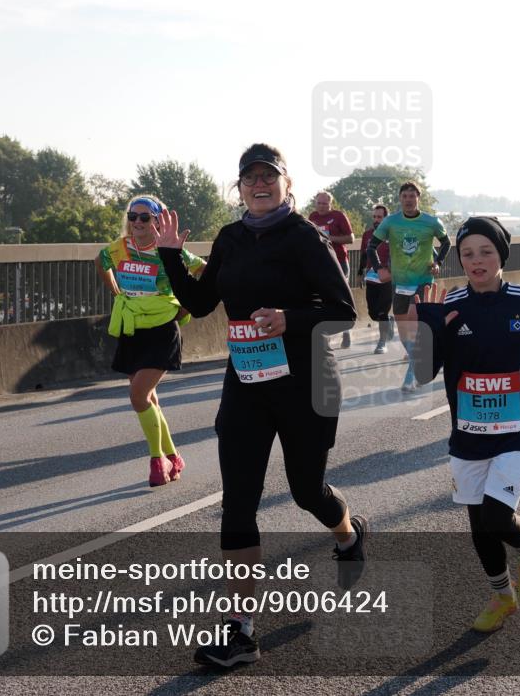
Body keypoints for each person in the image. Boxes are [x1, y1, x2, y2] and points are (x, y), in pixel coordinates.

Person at [155, 143, 366, 668]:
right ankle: (241, 631)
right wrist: (169, 255)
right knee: (238, 501)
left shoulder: (304, 237)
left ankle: (348, 532)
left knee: (305, 492)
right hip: (247, 383)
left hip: (306, 383)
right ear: (240, 188)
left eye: (268, 177)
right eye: (249, 178)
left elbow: (343, 312)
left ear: (286, 184)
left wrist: (290, 319)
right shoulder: (230, 238)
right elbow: (201, 303)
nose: (259, 184)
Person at [412, 216, 520, 633]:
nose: (476, 261)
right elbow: (423, 374)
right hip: (468, 434)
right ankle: (502, 596)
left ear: (501, 255)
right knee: (478, 524)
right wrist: (430, 331)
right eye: (468, 254)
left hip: (518, 431)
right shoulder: (451, 304)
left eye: (486, 252)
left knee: (496, 517)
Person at [95, 195, 204, 487]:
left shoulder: (168, 251)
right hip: (133, 330)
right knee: (150, 399)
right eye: (133, 217)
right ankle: (173, 456)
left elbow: (203, 270)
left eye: (145, 217)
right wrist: (116, 290)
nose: (138, 223)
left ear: (157, 220)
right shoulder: (120, 248)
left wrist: (188, 304)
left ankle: (157, 462)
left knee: (138, 396)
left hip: (162, 331)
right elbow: (100, 260)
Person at [365, 181, 451, 392]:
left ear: (418, 198)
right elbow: (371, 246)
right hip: (400, 282)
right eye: (405, 196)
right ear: (400, 199)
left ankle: (411, 376)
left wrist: (438, 263)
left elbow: (446, 242)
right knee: (404, 333)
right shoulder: (391, 222)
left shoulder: (431, 222)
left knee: (416, 324)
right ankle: (421, 362)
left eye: (412, 196)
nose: (408, 200)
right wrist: (379, 269)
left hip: (423, 281)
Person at [309, 191, 355, 349]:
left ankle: (346, 331)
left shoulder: (338, 216)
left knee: (341, 296)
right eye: (319, 203)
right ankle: (324, 336)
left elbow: (350, 238)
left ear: (330, 204)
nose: (321, 206)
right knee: (320, 298)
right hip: (320, 263)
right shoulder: (312, 217)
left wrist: (329, 238)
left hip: (340, 261)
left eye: (325, 204)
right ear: (315, 203)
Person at [357, 204, 395, 354]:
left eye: (379, 217)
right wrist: (360, 273)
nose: (376, 219)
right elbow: (364, 255)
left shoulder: (392, 234)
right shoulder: (368, 235)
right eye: (374, 217)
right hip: (371, 277)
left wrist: (390, 270)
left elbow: (397, 254)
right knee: (373, 313)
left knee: (382, 312)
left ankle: (382, 342)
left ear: (386, 218)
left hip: (387, 278)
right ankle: (388, 323)